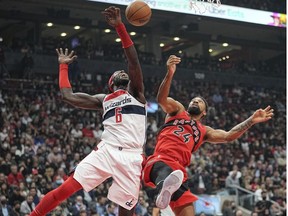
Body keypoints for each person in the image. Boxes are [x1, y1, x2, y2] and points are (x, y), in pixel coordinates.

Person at [31, 6, 146, 216]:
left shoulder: (136, 93)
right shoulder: (104, 100)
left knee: (127, 211)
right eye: (117, 72)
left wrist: (120, 26)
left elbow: (133, 61)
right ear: (111, 84)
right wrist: (63, 67)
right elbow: (69, 96)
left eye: (123, 71)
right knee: (65, 189)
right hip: (107, 150)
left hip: (131, 156)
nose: (122, 71)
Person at [142, 55, 274, 215]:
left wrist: (251, 120)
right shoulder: (178, 110)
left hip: (179, 172)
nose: (195, 101)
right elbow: (161, 99)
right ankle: (162, 189)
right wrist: (169, 73)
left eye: (199, 101)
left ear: (204, 112)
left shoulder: (204, 131)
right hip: (161, 160)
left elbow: (228, 136)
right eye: (193, 100)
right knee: (166, 175)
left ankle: (165, 190)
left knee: (188, 210)